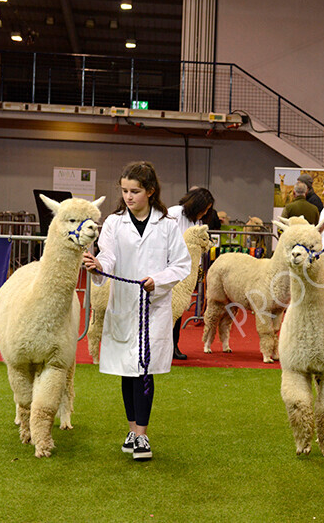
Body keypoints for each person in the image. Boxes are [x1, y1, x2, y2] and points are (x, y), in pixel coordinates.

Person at [83, 161, 191, 461]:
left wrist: (159, 280)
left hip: (153, 306)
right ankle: (132, 430)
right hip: (123, 305)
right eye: (125, 191)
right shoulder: (115, 223)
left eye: (135, 191)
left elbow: (181, 264)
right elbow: (109, 258)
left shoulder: (168, 225)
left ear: (150, 191)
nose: (129, 197)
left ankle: (142, 435)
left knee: (144, 368)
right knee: (127, 370)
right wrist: (97, 265)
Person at [167, 186, 215, 360]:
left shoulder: (197, 222)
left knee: (178, 310)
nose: (205, 212)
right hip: (169, 268)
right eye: (205, 208)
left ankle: (173, 345)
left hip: (186, 271)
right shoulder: (173, 214)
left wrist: (199, 268)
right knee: (167, 310)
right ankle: (165, 346)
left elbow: (197, 249)